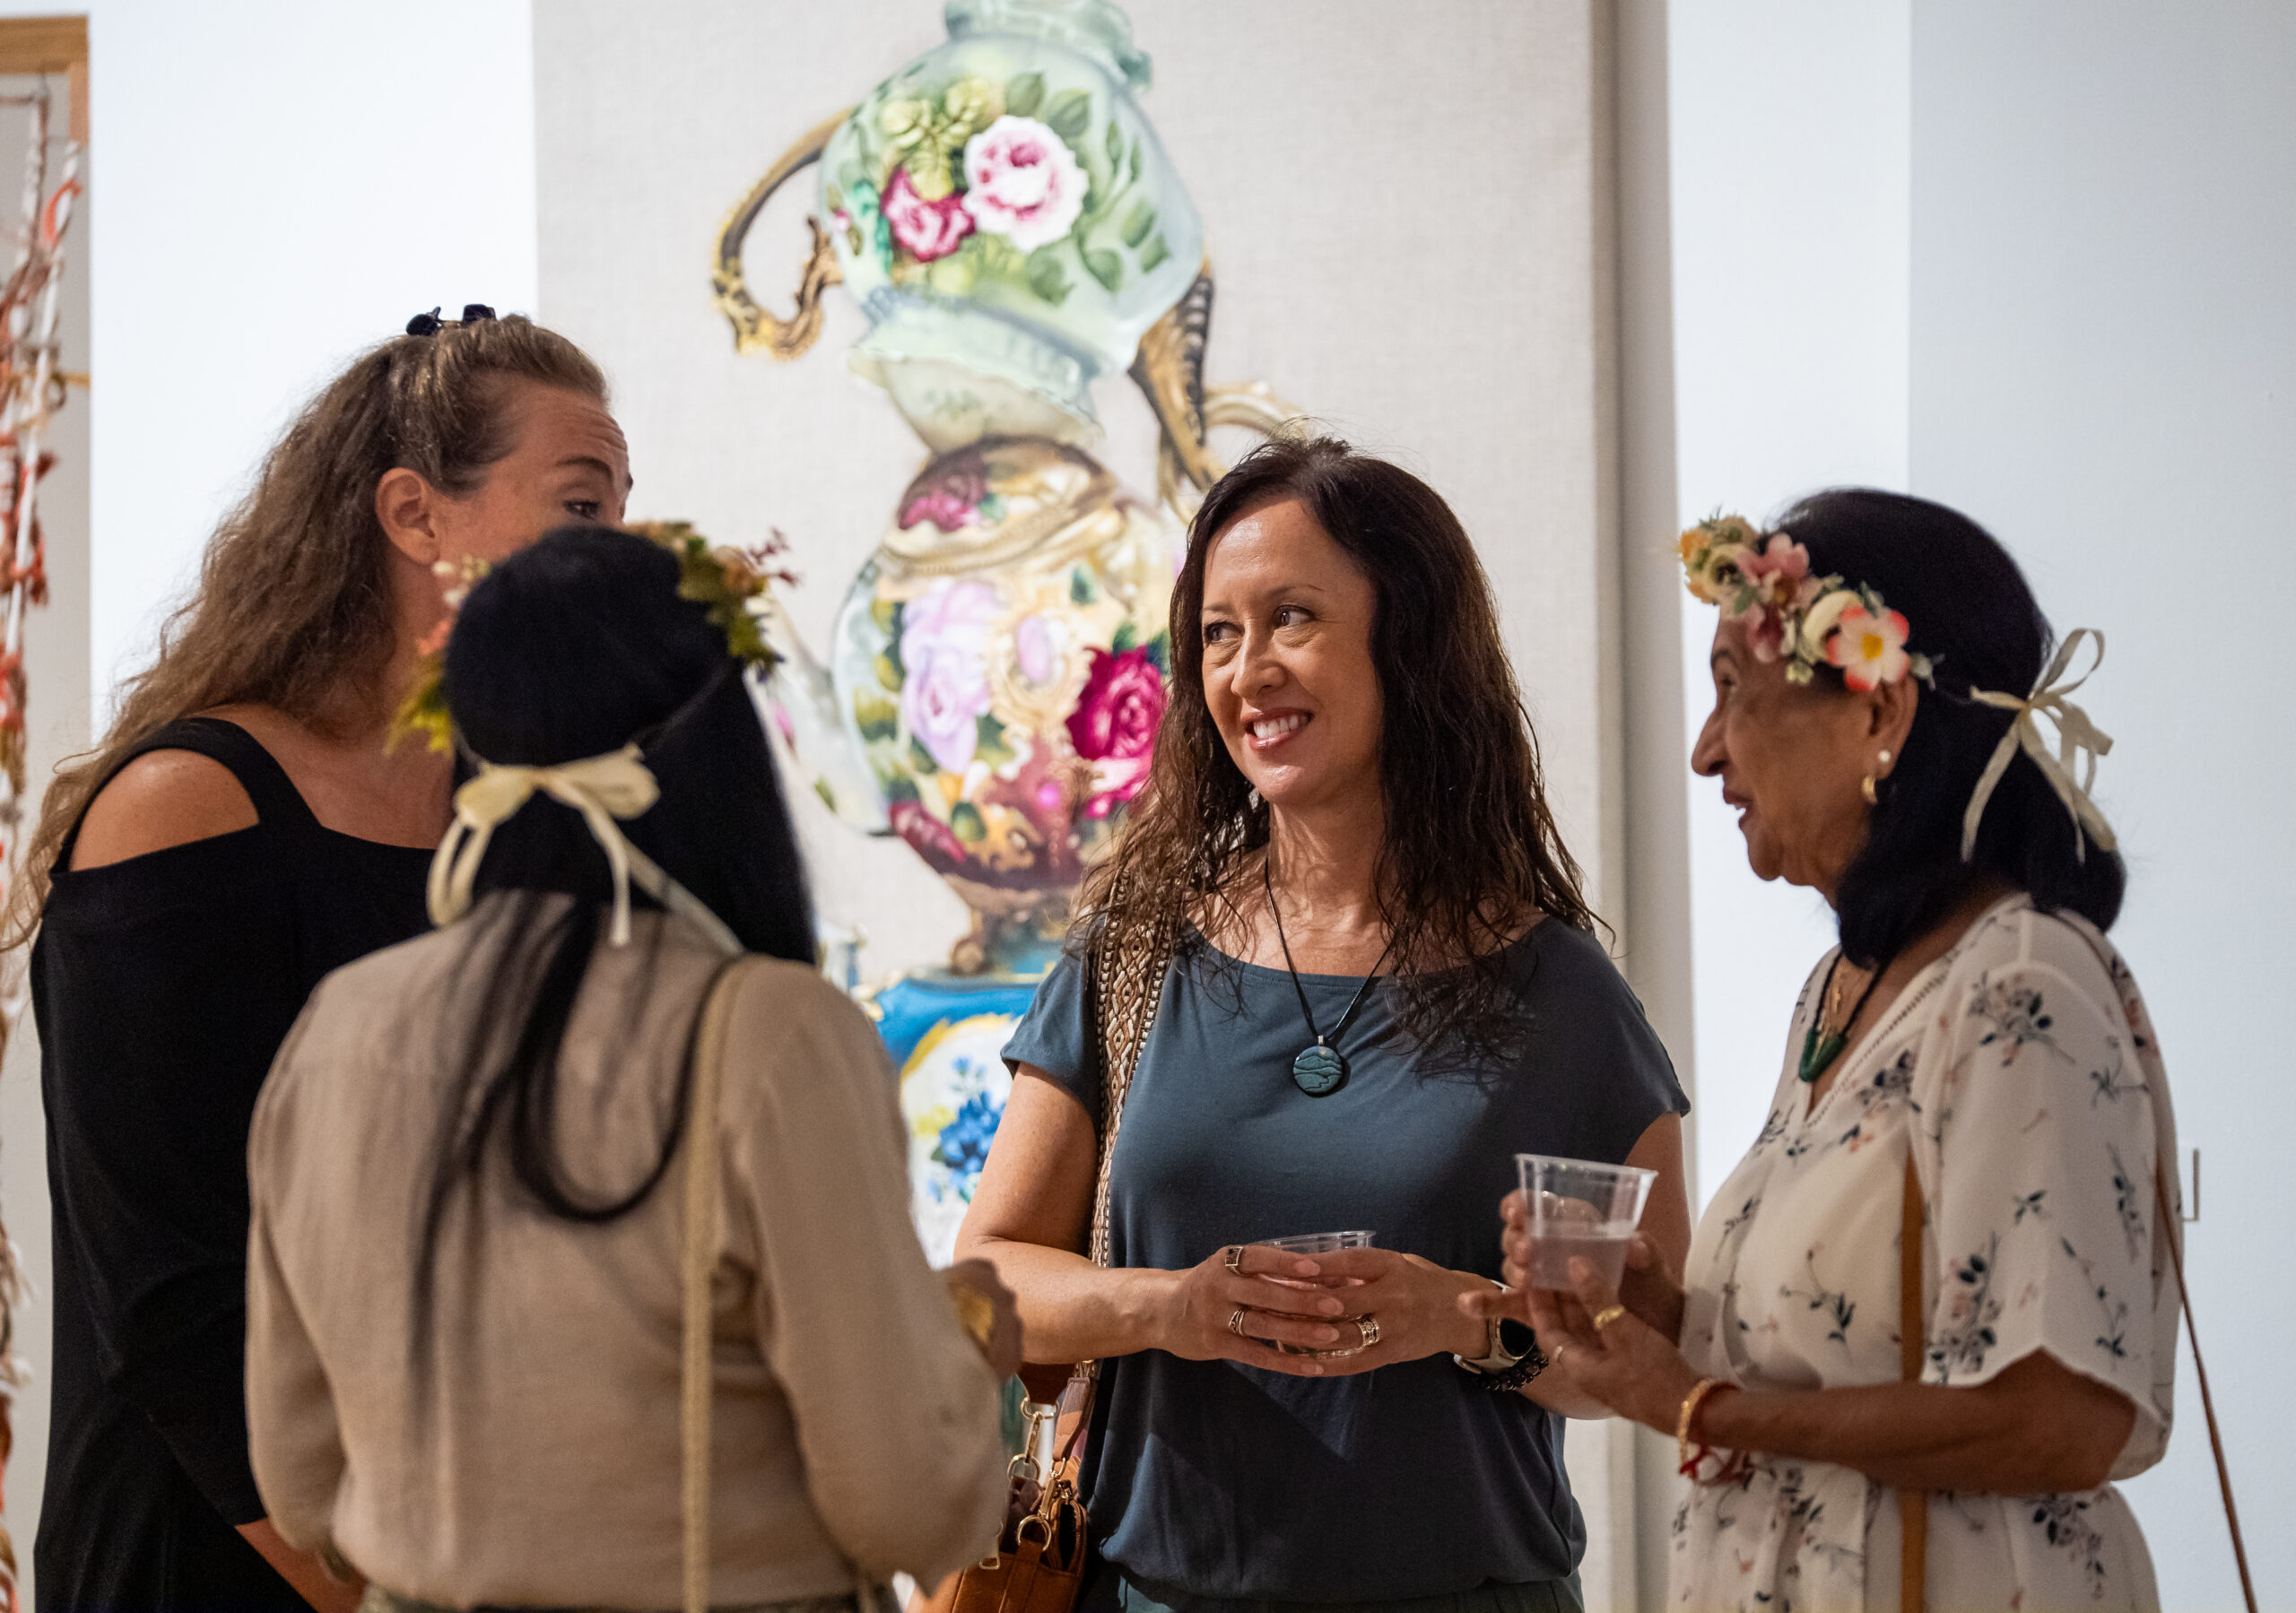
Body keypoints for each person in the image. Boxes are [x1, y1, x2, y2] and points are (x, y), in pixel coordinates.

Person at [960, 437, 1692, 1613]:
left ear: (1409, 645)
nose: (1248, 670)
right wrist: (1171, 1306)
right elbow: (986, 1279)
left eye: (1291, 617)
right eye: (1216, 632)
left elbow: (1632, 1355)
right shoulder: (1135, 957)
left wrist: (1456, 1315)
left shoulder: (1559, 998)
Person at [242, 525, 1016, 1609]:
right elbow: (905, 1502)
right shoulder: (768, 1035)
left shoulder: (338, 1027)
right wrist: (963, 1347)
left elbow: (304, 1485)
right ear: (719, 752)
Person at [21, 309, 630, 1612]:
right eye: (582, 502)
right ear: (416, 515)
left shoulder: (521, 825)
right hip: (225, 1561)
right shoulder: (186, 806)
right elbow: (180, 1301)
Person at [1482, 491, 2177, 1610]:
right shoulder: (1835, 994)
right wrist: (1662, 1317)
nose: (1706, 750)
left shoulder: (2021, 984)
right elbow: (1852, 1348)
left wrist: (1699, 1406)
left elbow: (2060, 1414)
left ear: (1880, 710)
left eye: (1731, 691)